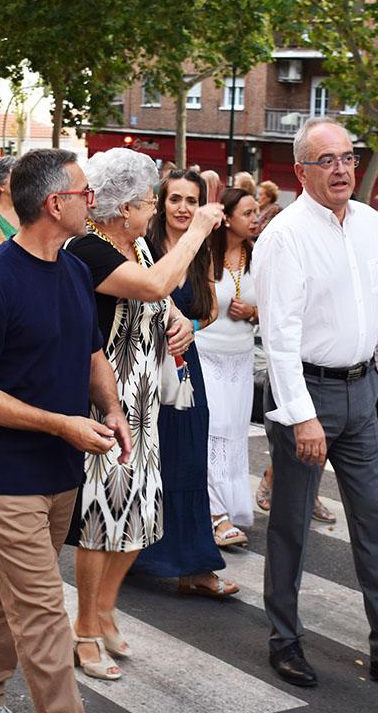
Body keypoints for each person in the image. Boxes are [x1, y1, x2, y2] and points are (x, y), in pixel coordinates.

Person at [258, 117, 378, 688]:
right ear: (300, 171)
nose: (342, 168)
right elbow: (280, 337)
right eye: (327, 160)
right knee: (291, 528)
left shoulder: (371, 223)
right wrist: (301, 416)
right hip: (309, 395)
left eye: (347, 157)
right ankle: (285, 641)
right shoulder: (284, 234)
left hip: (364, 390)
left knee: (376, 521)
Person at [0, 147, 132, 713]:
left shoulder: (75, 269)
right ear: (56, 204)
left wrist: (113, 408)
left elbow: (91, 349)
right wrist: (62, 424)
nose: (93, 201)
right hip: (2, 475)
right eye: (84, 193)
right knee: (46, 613)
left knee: (10, 595)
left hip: (59, 468)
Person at [63, 147, 220, 679]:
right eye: (149, 202)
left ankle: (105, 612)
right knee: (100, 519)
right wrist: (199, 228)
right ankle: (84, 629)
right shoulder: (90, 249)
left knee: (139, 512)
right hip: (106, 402)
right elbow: (153, 287)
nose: (153, 210)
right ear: (123, 207)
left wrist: (179, 322)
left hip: (147, 401)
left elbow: (164, 299)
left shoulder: (138, 249)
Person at [131, 170, 239, 597]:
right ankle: (135, 553)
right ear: (160, 202)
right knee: (144, 459)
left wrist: (190, 326)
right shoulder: (143, 245)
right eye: (174, 199)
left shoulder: (202, 250)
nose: (182, 208)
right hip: (141, 361)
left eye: (191, 201)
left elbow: (209, 309)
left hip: (183, 363)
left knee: (190, 457)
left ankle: (195, 564)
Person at [196, 187, 260, 546]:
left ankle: (229, 508)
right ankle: (215, 514)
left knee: (234, 435)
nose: (255, 219)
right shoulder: (205, 254)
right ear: (227, 219)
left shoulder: (259, 255)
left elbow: (277, 307)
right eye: (248, 213)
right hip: (207, 354)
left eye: (256, 213)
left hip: (241, 357)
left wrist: (252, 313)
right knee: (212, 432)